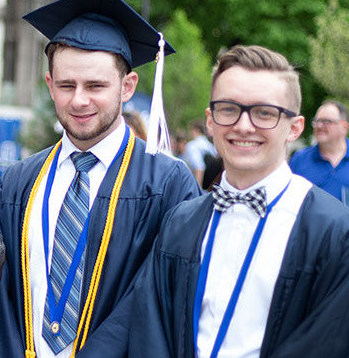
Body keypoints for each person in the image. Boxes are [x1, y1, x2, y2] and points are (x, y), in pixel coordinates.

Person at [0, 0, 201, 358]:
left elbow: (159, 296)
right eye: (67, 85)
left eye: (96, 85)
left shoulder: (166, 183)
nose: (79, 100)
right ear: (50, 85)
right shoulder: (18, 183)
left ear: (127, 86)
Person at [129, 45, 349, 357]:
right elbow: (150, 331)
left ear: (295, 127)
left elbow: (327, 343)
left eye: (264, 113)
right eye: (229, 109)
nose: (244, 126)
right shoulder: (181, 222)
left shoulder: (333, 231)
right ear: (210, 120)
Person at [290, 99, 349, 203]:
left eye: (326, 122)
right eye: (316, 121)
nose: (319, 126)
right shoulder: (300, 160)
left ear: (344, 127)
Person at [182, 119, 218, 188]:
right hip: (211, 186)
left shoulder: (192, 146)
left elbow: (199, 168)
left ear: (196, 130)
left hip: (199, 186)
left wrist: (197, 191)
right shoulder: (210, 145)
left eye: (191, 130)